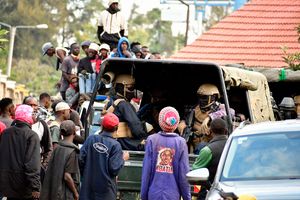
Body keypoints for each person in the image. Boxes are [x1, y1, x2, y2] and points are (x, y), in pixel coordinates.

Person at [141, 107, 191, 200]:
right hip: (173, 195)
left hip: (153, 194)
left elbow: (146, 172)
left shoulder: (152, 140)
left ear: (160, 122)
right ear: (176, 123)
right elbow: (183, 175)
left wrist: (143, 195)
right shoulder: (181, 143)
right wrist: (187, 197)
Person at [79, 113, 129, 200]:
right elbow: (114, 169)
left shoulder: (91, 139)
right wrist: (123, 159)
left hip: (88, 189)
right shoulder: (115, 145)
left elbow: (80, 160)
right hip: (106, 192)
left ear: (102, 126)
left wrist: (87, 175)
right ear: (116, 128)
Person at [177, 83, 234, 153]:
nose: (201, 100)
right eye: (200, 97)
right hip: (193, 148)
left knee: (201, 146)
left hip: (210, 148)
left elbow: (230, 112)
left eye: (204, 97)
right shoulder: (195, 109)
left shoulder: (220, 108)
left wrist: (209, 118)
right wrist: (182, 123)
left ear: (213, 97)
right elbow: (186, 119)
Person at [0, 105, 41, 200]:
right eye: (32, 114)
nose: (34, 116)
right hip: (25, 186)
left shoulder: (6, 133)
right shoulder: (31, 135)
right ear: (28, 116)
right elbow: (32, 164)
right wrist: (35, 187)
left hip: (8, 186)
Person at [106, 73, 148, 150]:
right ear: (123, 88)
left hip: (116, 142)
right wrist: (146, 135)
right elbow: (136, 128)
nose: (133, 91)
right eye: (131, 88)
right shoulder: (124, 105)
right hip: (125, 143)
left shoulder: (111, 102)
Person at [41, 120, 80, 200]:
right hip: (63, 194)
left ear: (61, 133)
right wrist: (76, 193)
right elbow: (67, 176)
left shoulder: (57, 147)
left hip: (52, 192)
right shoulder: (72, 151)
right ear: (74, 133)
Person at [192, 118, 228, 200]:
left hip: (209, 194)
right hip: (232, 192)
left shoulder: (207, 150)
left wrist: (210, 186)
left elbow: (195, 172)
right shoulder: (235, 146)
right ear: (226, 131)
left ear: (210, 131)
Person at [24, 96, 52, 181]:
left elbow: (48, 148)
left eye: (35, 105)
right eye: (29, 105)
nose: (32, 108)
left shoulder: (42, 125)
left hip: (36, 168)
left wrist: (43, 165)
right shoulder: (17, 124)